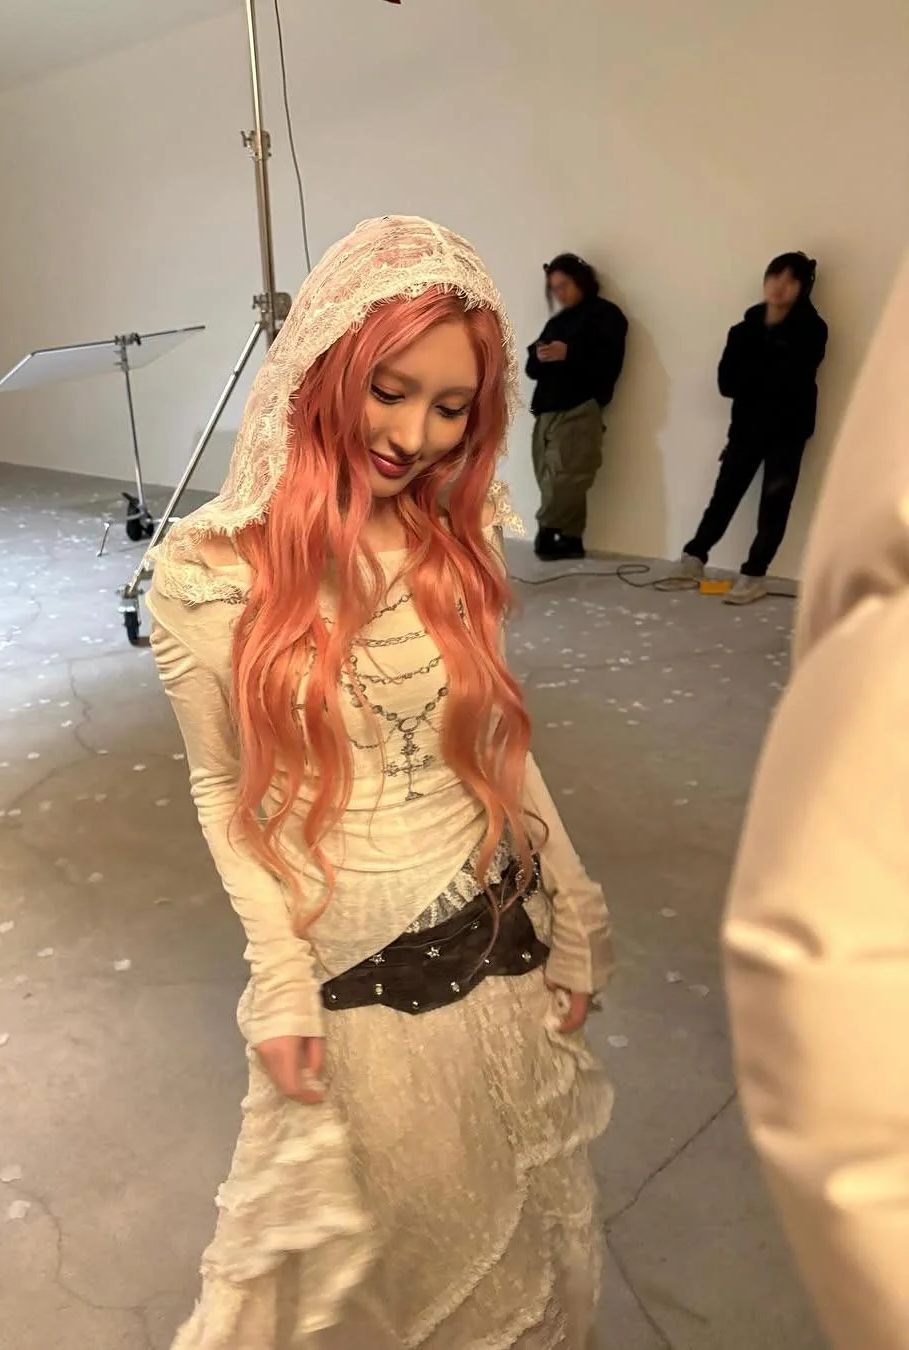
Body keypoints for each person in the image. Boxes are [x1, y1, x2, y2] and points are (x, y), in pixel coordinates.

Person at [146, 216, 614, 1350]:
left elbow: (498, 748)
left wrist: (580, 911)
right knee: (400, 1275)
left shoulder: (454, 541)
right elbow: (221, 793)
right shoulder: (207, 574)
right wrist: (279, 979)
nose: (414, 437)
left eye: (452, 408)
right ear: (325, 370)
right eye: (390, 392)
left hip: (499, 940)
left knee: (523, 1247)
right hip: (356, 972)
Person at [723, 254, 909, 1350]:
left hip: (790, 431)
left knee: (779, 498)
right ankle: (706, 551)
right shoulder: (753, 326)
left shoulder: (813, 332)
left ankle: (748, 563)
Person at [680, 253, 828, 604]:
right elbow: (727, 383)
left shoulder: (812, 329)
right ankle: (693, 558)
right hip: (746, 427)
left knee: (774, 505)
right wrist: (767, 371)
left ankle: (754, 574)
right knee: (724, 495)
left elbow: (793, 378)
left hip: (788, 430)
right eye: (775, 276)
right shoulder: (743, 330)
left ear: (803, 288)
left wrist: (757, 372)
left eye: (790, 280)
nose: (779, 285)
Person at [526, 254, 628, 561]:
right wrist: (541, 356)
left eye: (564, 285)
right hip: (546, 408)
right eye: (554, 288)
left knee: (568, 476)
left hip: (580, 407)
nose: (559, 293)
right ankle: (571, 539)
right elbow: (532, 367)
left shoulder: (606, 316)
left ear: (581, 280)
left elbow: (609, 363)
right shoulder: (557, 322)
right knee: (550, 476)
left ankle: (546, 532)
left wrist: (569, 353)